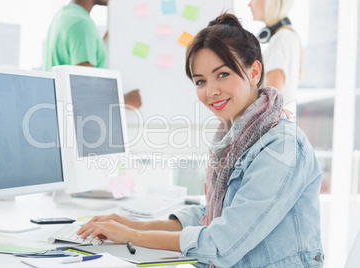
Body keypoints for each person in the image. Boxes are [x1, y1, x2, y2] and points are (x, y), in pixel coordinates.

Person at [77, 13, 324, 267]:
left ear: (254, 71)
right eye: (200, 81)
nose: (211, 91)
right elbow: (211, 215)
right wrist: (132, 224)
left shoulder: (282, 146)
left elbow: (221, 243)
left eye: (223, 74)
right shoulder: (233, 138)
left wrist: (133, 236)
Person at [44, 0, 141, 110]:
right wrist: (125, 101)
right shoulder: (81, 23)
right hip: (79, 122)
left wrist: (95, 51)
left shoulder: (65, 16)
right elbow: (86, 90)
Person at [248, 0, 302, 116]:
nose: (249, 4)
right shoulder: (287, 37)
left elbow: (271, 101)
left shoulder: (281, 39)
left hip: (273, 129)